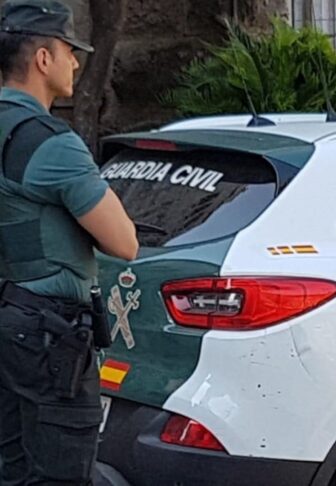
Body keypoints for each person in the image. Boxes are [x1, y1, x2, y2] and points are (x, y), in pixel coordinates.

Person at [0, 1, 138, 484]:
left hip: (8, 320)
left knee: (13, 470)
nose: (75, 63)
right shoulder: (50, 143)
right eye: (68, 51)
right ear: (43, 59)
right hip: (48, 333)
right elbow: (124, 242)